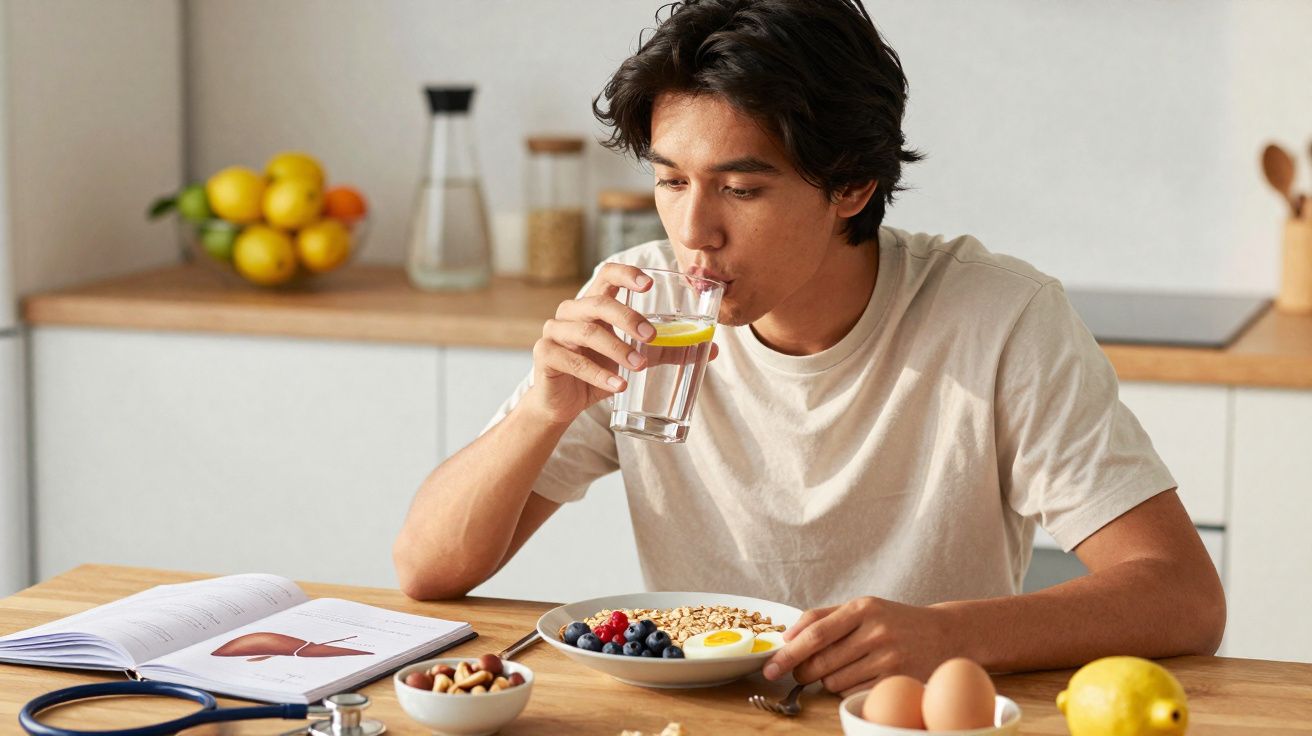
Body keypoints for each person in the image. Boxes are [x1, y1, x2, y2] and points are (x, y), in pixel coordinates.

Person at [394, 0, 1225, 695]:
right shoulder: (639, 303)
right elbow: (426, 569)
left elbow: (1184, 597)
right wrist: (542, 410)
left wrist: (949, 635)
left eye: (740, 188)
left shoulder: (997, 318)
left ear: (851, 185)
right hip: (712, 714)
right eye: (671, 180)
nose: (693, 232)